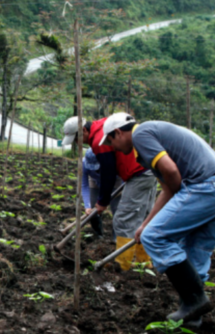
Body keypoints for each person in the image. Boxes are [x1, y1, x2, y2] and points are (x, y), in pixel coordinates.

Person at [101, 113, 215, 327]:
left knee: (155, 238)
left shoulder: (141, 135)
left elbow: (172, 174)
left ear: (118, 132)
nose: (114, 148)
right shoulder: (149, 139)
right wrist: (145, 223)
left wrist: (150, 229)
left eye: (111, 141)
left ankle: (195, 300)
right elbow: (167, 188)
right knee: (195, 252)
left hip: (206, 187)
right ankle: (192, 320)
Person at [62, 116, 156, 270]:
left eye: (77, 139)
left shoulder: (99, 141)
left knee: (123, 219)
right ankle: (143, 263)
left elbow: (108, 172)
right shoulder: (101, 126)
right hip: (148, 169)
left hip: (138, 173)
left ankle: (123, 265)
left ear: (84, 130)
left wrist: (102, 202)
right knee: (142, 219)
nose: (78, 143)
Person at [81, 148, 104, 236]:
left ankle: (116, 237)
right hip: (94, 180)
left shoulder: (108, 161)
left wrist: (104, 200)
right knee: (92, 210)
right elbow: (84, 185)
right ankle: (99, 235)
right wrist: (87, 206)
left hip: (114, 180)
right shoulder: (84, 164)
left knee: (117, 209)